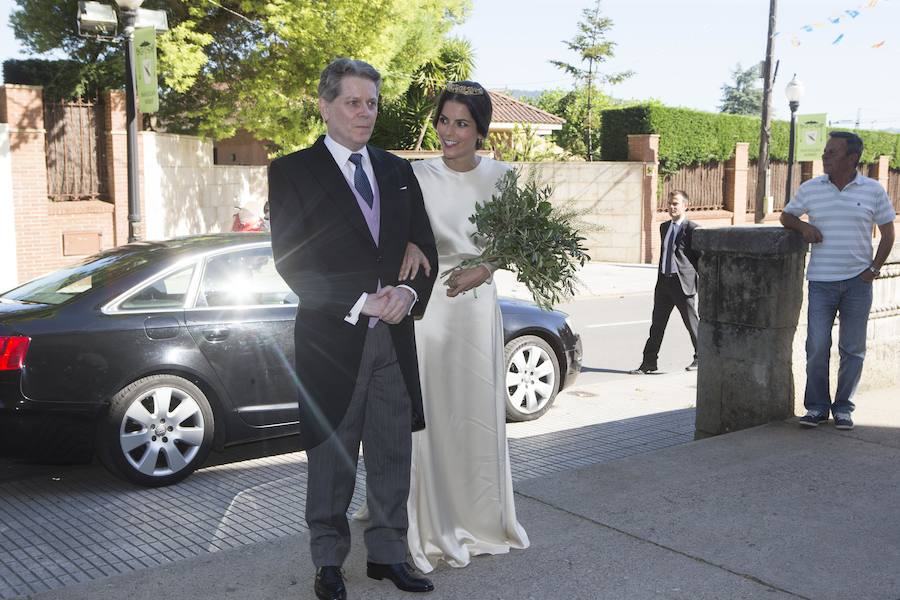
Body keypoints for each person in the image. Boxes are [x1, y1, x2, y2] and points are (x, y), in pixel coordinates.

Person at [268, 58, 438, 600]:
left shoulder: (397, 170)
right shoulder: (292, 171)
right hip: (332, 340)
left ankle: (389, 555)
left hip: (394, 339)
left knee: (392, 452)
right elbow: (291, 263)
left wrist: (408, 295)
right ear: (325, 106)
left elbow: (425, 247)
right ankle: (328, 563)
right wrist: (365, 300)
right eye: (353, 102)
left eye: (372, 103)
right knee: (332, 455)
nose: (365, 113)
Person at [394, 80, 530, 573]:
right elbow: (394, 232)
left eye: (462, 124)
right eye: (444, 120)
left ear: (480, 130)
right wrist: (409, 244)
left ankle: (480, 516)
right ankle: (430, 522)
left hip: (475, 307)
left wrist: (487, 266)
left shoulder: (505, 175)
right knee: (431, 412)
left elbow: (518, 239)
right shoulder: (413, 175)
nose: (449, 132)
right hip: (428, 310)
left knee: (473, 410)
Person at [781, 131, 895, 430]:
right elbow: (786, 216)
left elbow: (888, 235)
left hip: (859, 283)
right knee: (817, 345)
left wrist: (874, 268)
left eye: (832, 152)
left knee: (852, 348)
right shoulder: (811, 188)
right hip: (821, 281)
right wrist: (803, 227)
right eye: (825, 151)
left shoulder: (873, 190)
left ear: (851, 158)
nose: (824, 156)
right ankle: (817, 407)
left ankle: (843, 407)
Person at [631, 190, 701, 374]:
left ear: (686, 205)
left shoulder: (692, 229)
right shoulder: (664, 227)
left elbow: (700, 259)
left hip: (682, 284)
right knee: (657, 325)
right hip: (664, 283)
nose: (671, 207)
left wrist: (699, 283)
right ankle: (649, 363)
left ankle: (701, 357)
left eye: (676, 203)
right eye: (670, 203)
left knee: (691, 323)